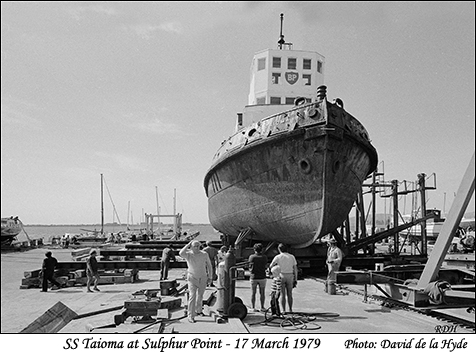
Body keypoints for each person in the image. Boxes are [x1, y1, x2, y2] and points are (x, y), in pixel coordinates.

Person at [179, 240, 213, 323]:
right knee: (192, 296)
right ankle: (190, 315)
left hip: (203, 277)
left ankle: (199, 311)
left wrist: (210, 277)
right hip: (192, 277)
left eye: (198, 246)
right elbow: (180, 253)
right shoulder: (188, 254)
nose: (197, 247)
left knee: (200, 295)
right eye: (195, 246)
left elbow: (209, 265)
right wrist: (188, 244)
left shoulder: (204, 254)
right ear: (191, 247)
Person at [269, 243, 298, 314]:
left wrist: (274, 271)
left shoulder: (278, 257)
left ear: (279, 249)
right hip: (290, 275)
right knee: (290, 294)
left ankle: (283, 310)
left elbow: (270, 266)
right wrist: (296, 279)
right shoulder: (292, 257)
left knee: (282, 294)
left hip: (281, 275)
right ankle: (290, 309)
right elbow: (295, 269)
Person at [248, 243, 268, 312]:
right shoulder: (264, 257)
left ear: (254, 249)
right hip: (262, 276)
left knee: (253, 293)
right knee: (262, 292)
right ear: (261, 250)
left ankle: (253, 307)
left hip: (254, 276)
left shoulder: (252, 257)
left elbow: (249, 266)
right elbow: (265, 265)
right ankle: (262, 307)